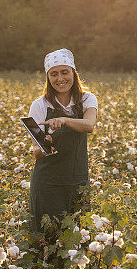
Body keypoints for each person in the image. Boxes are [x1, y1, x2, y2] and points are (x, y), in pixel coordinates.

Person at [27, 48, 98, 246]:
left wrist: (64, 120)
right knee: (46, 240)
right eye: (54, 74)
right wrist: (45, 143)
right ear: (48, 77)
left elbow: (89, 125)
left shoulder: (86, 100)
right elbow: (36, 152)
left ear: (73, 73)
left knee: (78, 239)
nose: (60, 78)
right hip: (47, 183)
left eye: (65, 72)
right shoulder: (40, 106)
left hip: (77, 179)